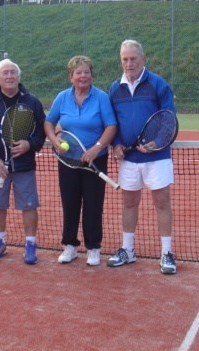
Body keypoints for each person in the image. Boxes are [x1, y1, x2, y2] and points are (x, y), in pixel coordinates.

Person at [107, 39, 178, 274]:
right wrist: (116, 144)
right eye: (125, 59)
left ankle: (166, 253)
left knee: (162, 203)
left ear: (143, 59)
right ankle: (128, 250)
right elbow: (113, 122)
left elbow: (168, 118)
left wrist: (157, 142)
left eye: (133, 59)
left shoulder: (158, 84)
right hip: (128, 159)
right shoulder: (115, 88)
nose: (129, 63)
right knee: (129, 203)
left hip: (157, 158)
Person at [44, 56, 117, 266]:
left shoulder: (101, 97)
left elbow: (111, 126)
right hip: (68, 161)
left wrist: (97, 148)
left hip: (95, 161)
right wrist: (54, 140)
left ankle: (93, 248)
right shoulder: (62, 98)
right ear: (71, 77)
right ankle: (70, 246)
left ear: (91, 75)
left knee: (93, 205)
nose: (83, 76)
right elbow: (49, 123)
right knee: (70, 203)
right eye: (78, 73)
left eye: (86, 72)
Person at [0, 59, 46, 265]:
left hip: (24, 166)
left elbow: (42, 132)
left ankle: (30, 245)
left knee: (29, 206)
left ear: (19, 76)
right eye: (5, 73)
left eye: (12, 72)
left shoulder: (32, 102)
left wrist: (29, 144)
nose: (9, 76)